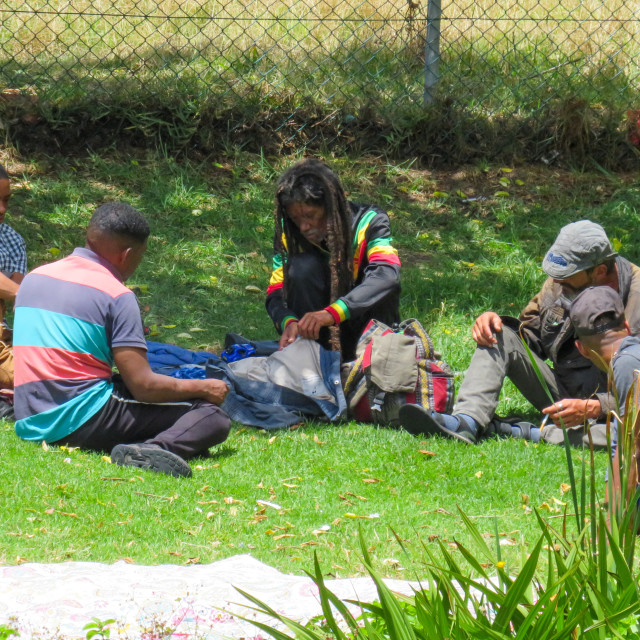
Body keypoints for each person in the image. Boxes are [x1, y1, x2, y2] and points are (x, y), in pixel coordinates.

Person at [13, 202, 230, 477]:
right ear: (127, 254)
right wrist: (204, 388)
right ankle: (154, 449)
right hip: (78, 419)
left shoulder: (34, 277)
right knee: (211, 416)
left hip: (30, 416)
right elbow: (144, 387)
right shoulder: (117, 294)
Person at [399, 220, 640, 445]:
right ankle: (466, 421)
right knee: (499, 333)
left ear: (598, 271)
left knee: (627, 435)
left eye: (565, 279)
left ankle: (534, 432)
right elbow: (529, 338)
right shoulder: (560, 282)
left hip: (623, 408)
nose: (557, 282)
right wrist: (493, 325)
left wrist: (596, 407)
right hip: (563, 396)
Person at [266, 158, 401, 361]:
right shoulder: (290, 234)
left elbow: (387, 274)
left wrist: (332, 313)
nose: (303, 227)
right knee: (301, 268)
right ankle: (312, 361)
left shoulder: (369, 221)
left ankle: (367, 360)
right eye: (296, 219)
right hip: (316, 336)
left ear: (331, 206)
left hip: (365, 326)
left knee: (381, 287)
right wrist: (289, 322)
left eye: (310, 215)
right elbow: (275, 291)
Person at [570, 286, 640, 509]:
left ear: (581, 348)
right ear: (627, 328)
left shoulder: (627, 363)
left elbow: (632, 448)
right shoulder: (631, 356)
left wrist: (613, 526)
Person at [0, 163, 28, 390]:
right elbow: (20, 293)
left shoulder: (13, 241)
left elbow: (19, 300)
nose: (2, 208)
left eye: (6, 200)